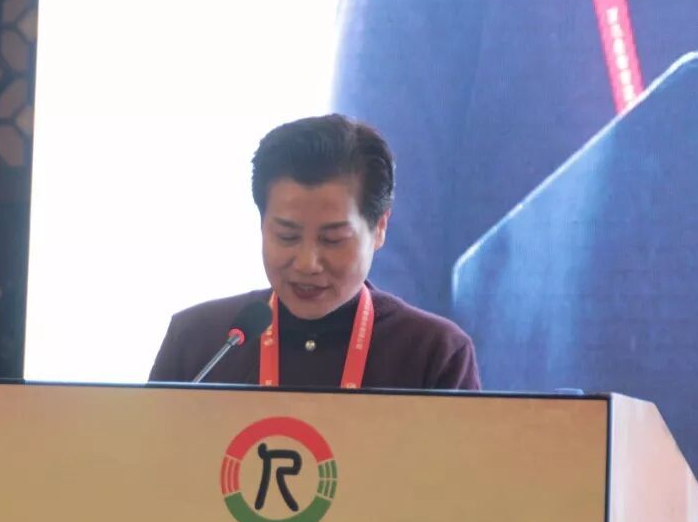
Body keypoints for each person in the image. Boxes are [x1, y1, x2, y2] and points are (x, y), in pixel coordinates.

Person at [148, 114, 480, 390]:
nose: (307, 264)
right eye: (287, 236)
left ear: (379, 228)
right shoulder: (199, 342)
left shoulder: (434, 354)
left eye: (333, 239)